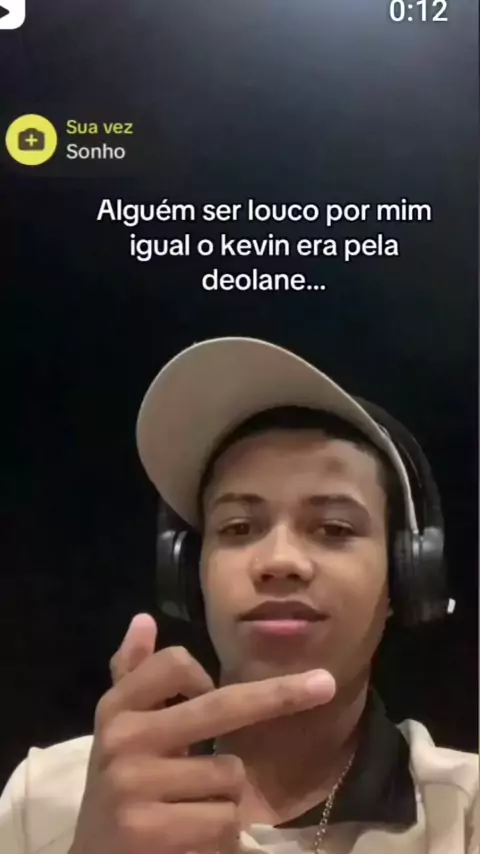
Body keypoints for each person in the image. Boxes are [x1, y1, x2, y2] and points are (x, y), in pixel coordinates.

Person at [0, 336, 477, 854]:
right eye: (238, 527)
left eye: (335, 528)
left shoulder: (465, 812)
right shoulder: (47, 796)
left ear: (405, 578)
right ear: (190, 576)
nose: (279, 561)